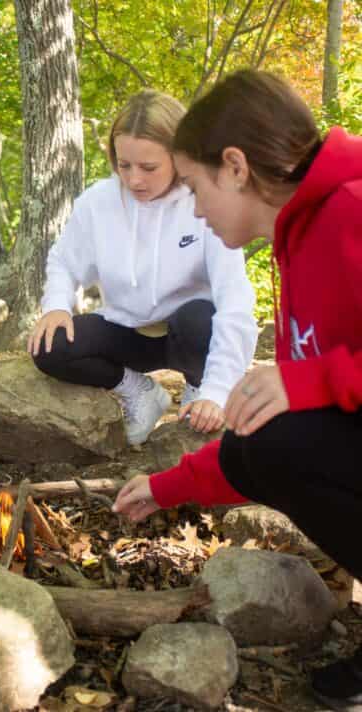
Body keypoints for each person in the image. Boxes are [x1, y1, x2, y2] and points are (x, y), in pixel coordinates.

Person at [113, 70, 362, 710]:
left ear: (235, 168)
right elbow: (270, 441)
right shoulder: (297, 235)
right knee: (266, 435)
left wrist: (313, 380)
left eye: (194, 187)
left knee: (278, 429)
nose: (194, 208)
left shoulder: (354, 208)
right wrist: (170, 486)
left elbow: (311, 399)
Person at [28, 90, 258, 445]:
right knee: (49, 345)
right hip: (129, 330)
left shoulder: (208, 200)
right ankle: (139, 391)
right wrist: (57, 304)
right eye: (124, 165)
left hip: (192, 336)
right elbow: (64, 260)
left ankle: (198, 390)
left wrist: (217, 389)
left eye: (149, 168)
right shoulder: (98, 202)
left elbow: (235, 303)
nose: (134, 179)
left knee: (199, 316)